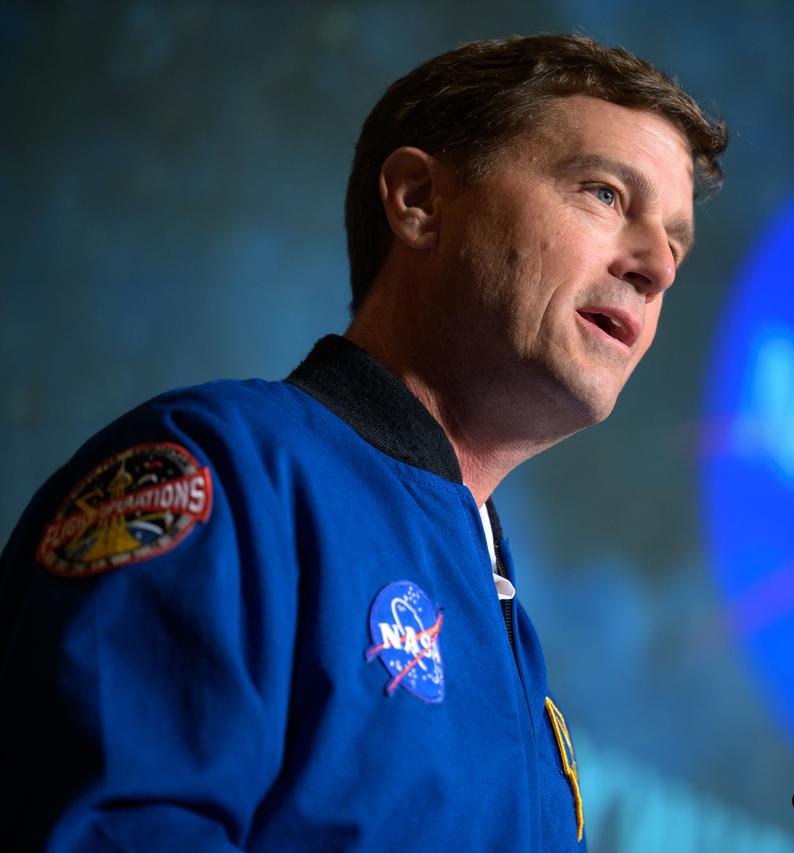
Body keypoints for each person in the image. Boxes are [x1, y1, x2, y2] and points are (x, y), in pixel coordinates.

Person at [0, 34, 727, 851]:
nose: (658, 267)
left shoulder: (503, 623)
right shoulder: (226, 475)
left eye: (675, 242)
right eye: (604, 194)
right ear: (418, 200)